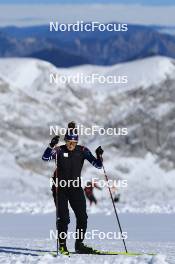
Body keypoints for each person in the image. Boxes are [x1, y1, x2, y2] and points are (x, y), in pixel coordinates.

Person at [42, 122, 104, 255]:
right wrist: (51, 145)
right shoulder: (59, 150)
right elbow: (45, 157)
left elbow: (98, 166)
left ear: (77, 142)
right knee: (64, 218)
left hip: (75, 187)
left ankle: (79, 245)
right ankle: (62, 245)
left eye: (74, 142)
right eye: (69, 142)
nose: (71, 145)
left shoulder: (83, 151)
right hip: (60, 188)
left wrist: (99, 156)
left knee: (82, 216)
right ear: (65, 140)